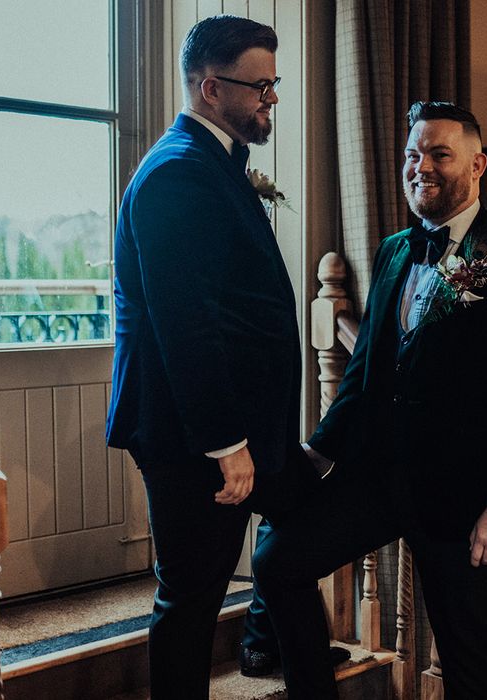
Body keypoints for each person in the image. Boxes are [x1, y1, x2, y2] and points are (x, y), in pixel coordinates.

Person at [252, 101, 487, 699]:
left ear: (477, 165)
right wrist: (318, 455)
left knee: (467, 654)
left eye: (439, 154)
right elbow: (367, 369)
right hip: (374, 480)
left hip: (463, 499)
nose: (421, 166)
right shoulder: (395, 249)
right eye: (412, 154)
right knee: (278, 562)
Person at [106, 15, 321, 699]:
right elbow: (186, 324)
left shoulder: (211, 162)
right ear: (209, 88)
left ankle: (278, 649)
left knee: (306, 520)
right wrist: (226, 444)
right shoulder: (176, 174)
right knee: (191, 599)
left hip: (244, 432)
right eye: (261, 87)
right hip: (193, 438)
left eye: (274, 84)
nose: (272, 99)